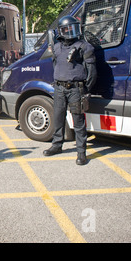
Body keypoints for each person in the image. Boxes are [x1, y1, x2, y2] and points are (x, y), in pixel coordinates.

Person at [43, 16, 97, 166]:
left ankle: (81, 152)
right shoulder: (57, 47)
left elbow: (92, 72)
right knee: (58, 117)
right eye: (67, 29)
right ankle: (57, 145)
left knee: (78, 121)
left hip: (76, 89)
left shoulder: (84, 47)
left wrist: (85, 89)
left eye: (73, 28)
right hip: (59, 88)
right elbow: (56, 65)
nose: (70, 31)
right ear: (61, 31)